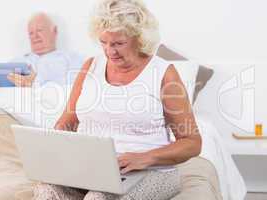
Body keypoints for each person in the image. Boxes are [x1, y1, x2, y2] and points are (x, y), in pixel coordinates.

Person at [34, 0, 202, 199]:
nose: (109, 51)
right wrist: (55, 149)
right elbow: (68, 121)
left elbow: (192, 142)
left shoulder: (163, 73)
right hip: (94, 170)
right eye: (103, 42)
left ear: (139, 38)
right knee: (46, 191)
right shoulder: (91, 66)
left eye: (118, 43)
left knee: (99, 197)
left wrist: (144, 158)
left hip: (151, 172)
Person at [0, 12, 83, 87]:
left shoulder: (72, 59)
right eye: (31, 33)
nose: (34, 36)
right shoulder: (17, 61)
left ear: (54, 31)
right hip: (10, 109)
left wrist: (35, 82)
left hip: (51, 109)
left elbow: (75, 88)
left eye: (39, 30)